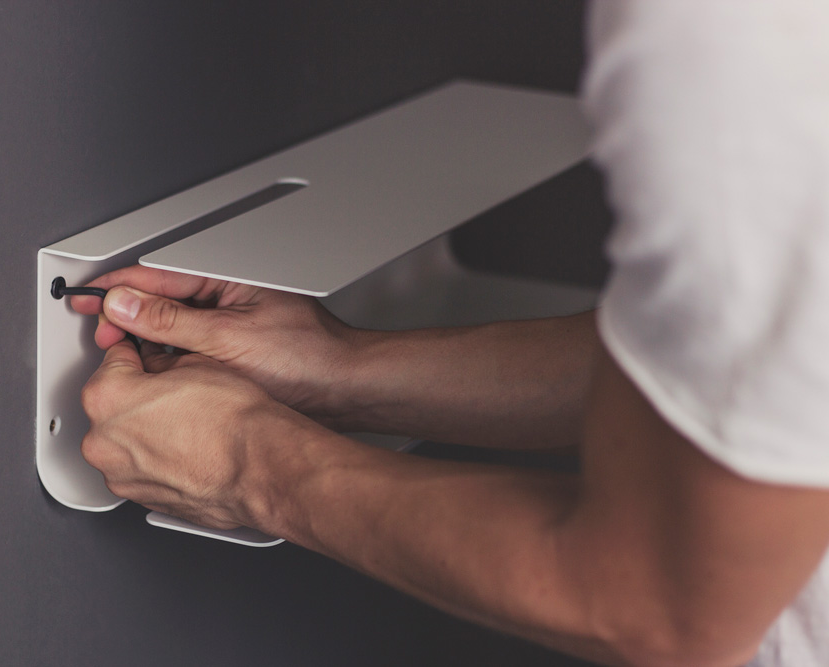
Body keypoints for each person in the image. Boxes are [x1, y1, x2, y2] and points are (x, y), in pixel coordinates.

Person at [71, 2, 829, 665]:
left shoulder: (734, 44)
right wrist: (338, 372)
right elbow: (744, 383)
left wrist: (251, 466)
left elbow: (664, 610)